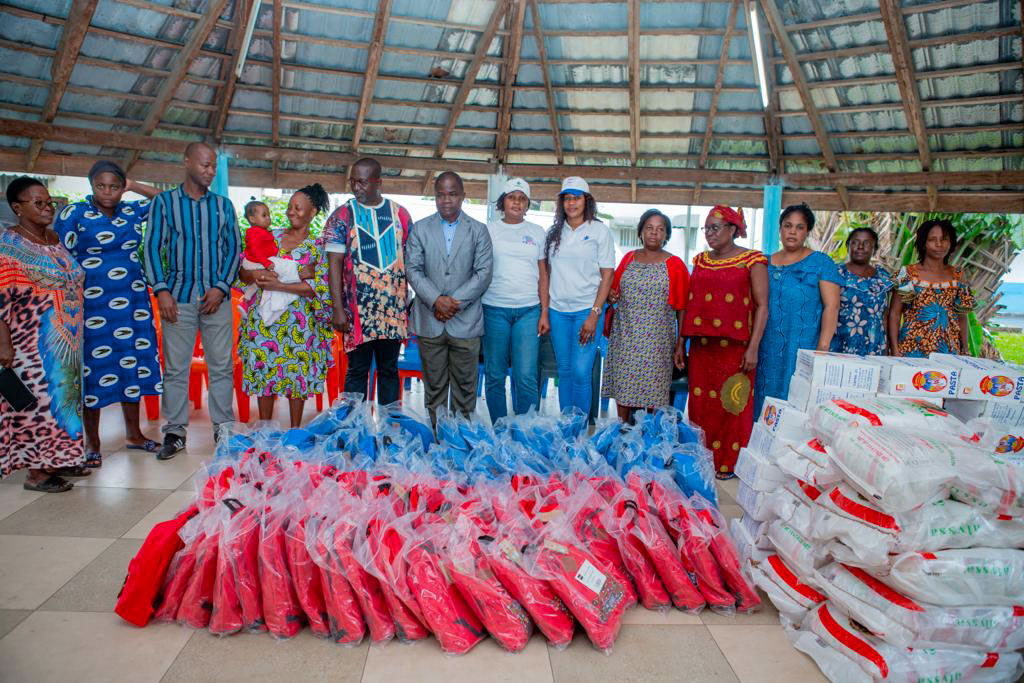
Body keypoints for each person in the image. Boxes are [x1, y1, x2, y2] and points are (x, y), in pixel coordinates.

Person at [52, 161, 162, 468]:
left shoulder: (131, 211)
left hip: (131, 302)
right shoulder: (73, 214)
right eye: (101, 186)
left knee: (132, 365)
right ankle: (93, 442)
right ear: (91, 185)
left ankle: (134, 434)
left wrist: (134, 185)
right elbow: (61, 256)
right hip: (91, 305)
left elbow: (165, 200)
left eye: (114, 186)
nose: (108, 192)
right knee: (93, 371)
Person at [143, 142, 240, 460]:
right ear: (186, 163)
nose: (210, 171)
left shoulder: (224, 206)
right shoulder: (165, 204)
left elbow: (233, 250)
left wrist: (222, 287)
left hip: (217, 300)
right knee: (175, 369)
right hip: (178, 299)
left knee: (222, 367)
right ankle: (174, 433)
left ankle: (224, 430)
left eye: (213, 166)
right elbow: (152, 247)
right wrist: (162, 290)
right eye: (205, 165)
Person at [0, 177, 86, 491]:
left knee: (64, 402)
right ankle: (37, 472)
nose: (48, 208)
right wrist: (3, 342)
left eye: (49, 202)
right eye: (38, 203)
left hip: (67, 338)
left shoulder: (53, 238)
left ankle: (61, 458)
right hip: (30, 342)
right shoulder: (8, 245)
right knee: (39, 405)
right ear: (17, 207)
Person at [683, 206, 769, 479]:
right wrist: (679, 344)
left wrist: (753, 347)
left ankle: (729, 463)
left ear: (733, 229)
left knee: (733, 404)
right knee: (701, 405)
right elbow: (688, 304)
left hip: (736, 349)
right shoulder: (700, 261)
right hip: (702, 347)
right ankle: (702, 460)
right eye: (706, 228)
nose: (709, 233)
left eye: (715, 228)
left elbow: (762, 306)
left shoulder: (752, 260)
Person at [238, 185, 334, 428]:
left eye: (297, 208)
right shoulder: (269, 235)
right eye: (289, 206)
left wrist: (279, 285)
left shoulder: (317, 247)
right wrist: (259, 274)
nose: (290, 212)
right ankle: (265, 430)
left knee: (297, 377)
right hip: (263, 321)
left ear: (312, 212)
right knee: (264, 374)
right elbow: (243, 273)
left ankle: (294, 431)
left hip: (299, 325)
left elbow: (317, 288)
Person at [407, 171, 493, 428]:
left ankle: (461, 442)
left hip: (465, 322)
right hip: (429, 320)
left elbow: (484, 273)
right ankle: (437, 440)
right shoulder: (420, 229)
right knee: (433, 389)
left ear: (463, 196)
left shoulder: (478, 230)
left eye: (453, 194)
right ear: (435, 196)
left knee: (465, 390)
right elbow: (412, 269)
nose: (447, 200)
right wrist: (436, 300)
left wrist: (453, 302)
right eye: (441, 194)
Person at [325, 158, 413, 405]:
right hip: (356, 313)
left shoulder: (401, 215)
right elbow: (334, 264)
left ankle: (388, 431)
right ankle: (355, 430)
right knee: (356, 372)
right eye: (353, 181)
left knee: (389, 371)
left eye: (362, 182)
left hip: (392, 312)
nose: (356, 187)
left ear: (379, 183)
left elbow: (412, 261)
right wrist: (338, 308)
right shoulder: (342, 215)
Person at [753, 203, 841, 416]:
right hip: (767, 348)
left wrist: (822, 349)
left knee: (797, 404)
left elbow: (832, 306)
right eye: (788, 225)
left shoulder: (821, 262)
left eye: (799, 227)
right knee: (764, 406)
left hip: (804, 347)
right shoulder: (763, 263)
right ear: (780, 229)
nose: (792, 231)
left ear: (807, 231)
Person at [603, 210, 688, 422]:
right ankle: (622, 433)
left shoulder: (675, 265)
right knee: (623, 388)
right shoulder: (628, 259)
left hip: (657, 343)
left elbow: (683, 308)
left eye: (661, 230)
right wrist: (611, 297)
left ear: (666, 235)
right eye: (649, 228)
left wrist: (680, 343)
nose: (654, 233)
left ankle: (649, 438)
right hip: (625, 337)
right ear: (640, 231)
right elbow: (612, 293)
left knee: (654, 392)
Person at [543, 177, 615, 416]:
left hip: (587, 310)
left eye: (576, 198)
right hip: (558, 312)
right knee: (564, 371)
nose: (571, 203)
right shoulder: (553, 233)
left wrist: (595, 314)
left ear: (587, 201)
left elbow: (607, 275)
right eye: (567, 198)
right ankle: (567, 427)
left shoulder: (599, 231)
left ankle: (580, 428)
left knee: (582, 371)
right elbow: (547, 273)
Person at [481, 178, 549, 424]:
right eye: (512, 197)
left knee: (526, 376)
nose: (517, 203)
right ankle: (500, 431)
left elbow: (543, 274)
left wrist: (544, 312)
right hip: (494, 309)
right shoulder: (488, 230)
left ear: (527, 204)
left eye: (522, 199)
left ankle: (524, 431)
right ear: (503, 201)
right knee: (495, 375)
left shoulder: (537, 232)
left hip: (529, 311)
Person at [888, 219, 975, 357]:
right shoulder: (908, 274)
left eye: (944, 239)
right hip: (911, 350)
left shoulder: (958, 275)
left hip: (948, 351)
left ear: (951, 242)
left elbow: (962, 315)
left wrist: (964, 348)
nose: (939, 244)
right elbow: (895, 314)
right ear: (923, 243)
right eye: (932, 239)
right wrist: (894, 349)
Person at [832, 228, 893, 356]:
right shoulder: (836, 273)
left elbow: (885, 314)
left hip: (874, 345)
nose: (860, 246)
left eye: (866, 243)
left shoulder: (883, 276)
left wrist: (887, 348)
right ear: (848, 246)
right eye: (855, 242)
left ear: (874, 249)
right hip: (842, 342)